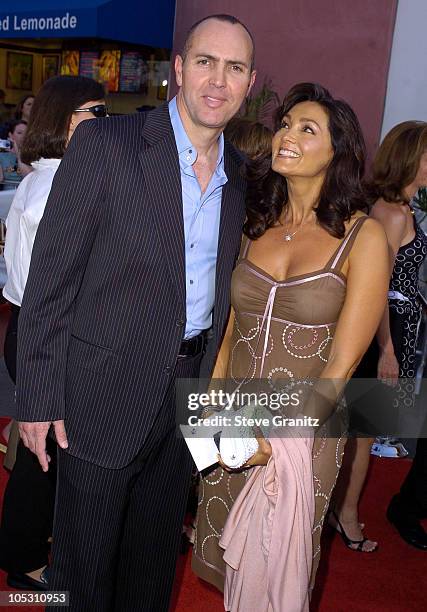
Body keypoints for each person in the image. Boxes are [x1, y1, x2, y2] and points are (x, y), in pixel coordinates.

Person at [15, 14, 256, 611]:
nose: (217, 80)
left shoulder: (245, 177)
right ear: (178, 69)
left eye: (235, 67)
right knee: (81, 569)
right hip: (100, 391)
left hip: (187, 393)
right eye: (205, 61)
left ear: (250, 83)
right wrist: (40, 401)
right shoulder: (107, 145)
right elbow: (50, 282)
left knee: (151, 567)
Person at [192, 82, 389, 611]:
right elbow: (231, 329)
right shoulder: (255, 223)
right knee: (225, 559)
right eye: (285, 124)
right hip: (232, 417)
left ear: (338, 153)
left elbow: (344, 364)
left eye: (308, 129)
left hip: (302, 431)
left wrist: (275, 444)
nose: (286, 136)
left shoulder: (362, 237)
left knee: (277, 570)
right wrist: (210, 415)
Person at [0, 75, 107, 591]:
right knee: (43, 456)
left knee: (44, 452)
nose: (105, 123)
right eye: (96, 112)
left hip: (32, 329)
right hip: (48, 333)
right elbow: (59, 285)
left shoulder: (43, 177)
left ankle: (28, 543)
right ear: (65, 118)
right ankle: (21, 556)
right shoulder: (57, 186)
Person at [0, 120, 32, 190]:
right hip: (7, 194)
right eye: (19, 133)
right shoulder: (2, 155)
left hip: (27, 191)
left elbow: (30, 177)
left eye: (26, 133)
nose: (24, 136)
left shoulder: (33, 154)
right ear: (10, 135)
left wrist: (18, 155)